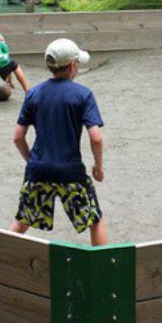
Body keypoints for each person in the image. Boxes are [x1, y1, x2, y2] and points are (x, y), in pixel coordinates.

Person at [10, 38, 107, 246]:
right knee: (94, 221)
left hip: (39, 170)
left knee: (22, 220)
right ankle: (104, 270)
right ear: (73, 66)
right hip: (70, 172)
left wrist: (32, 161)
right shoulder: (83, 95)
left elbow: (18, 137)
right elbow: (96, 138)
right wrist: (98, 167)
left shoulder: (33, 94)